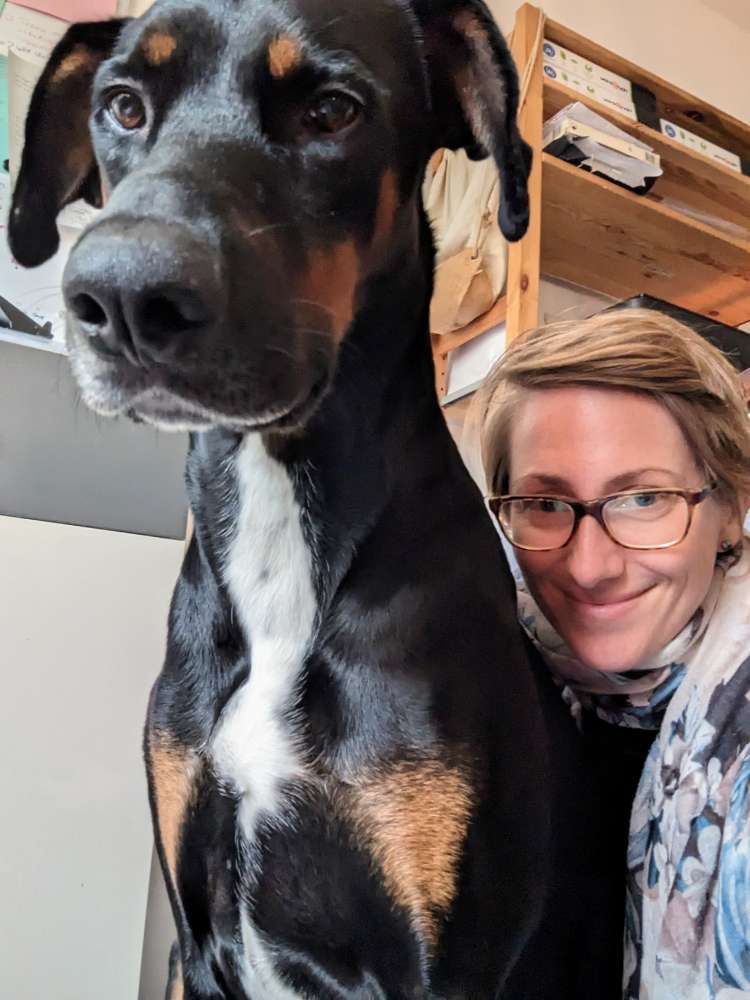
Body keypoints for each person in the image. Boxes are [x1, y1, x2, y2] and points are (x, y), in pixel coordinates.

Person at [472, 309, 750, 999]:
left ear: (730, 508)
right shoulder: (485, 679)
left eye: (644, 498)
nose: (590, 567)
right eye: (545, 503)